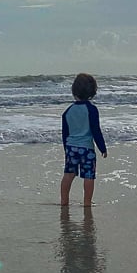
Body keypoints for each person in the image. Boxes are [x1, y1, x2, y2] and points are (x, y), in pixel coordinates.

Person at [61, 73, 107, 207]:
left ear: (74, 91)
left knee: (68, 175)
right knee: (88, 176)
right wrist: (102, 147)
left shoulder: (68, 111)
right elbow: (95, 130)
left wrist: (66, 149)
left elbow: (65, 134)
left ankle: (64, 201)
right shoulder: (91, 110)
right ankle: (86, 202)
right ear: (92, 92)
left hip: (71, 147)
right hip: (87, 148)